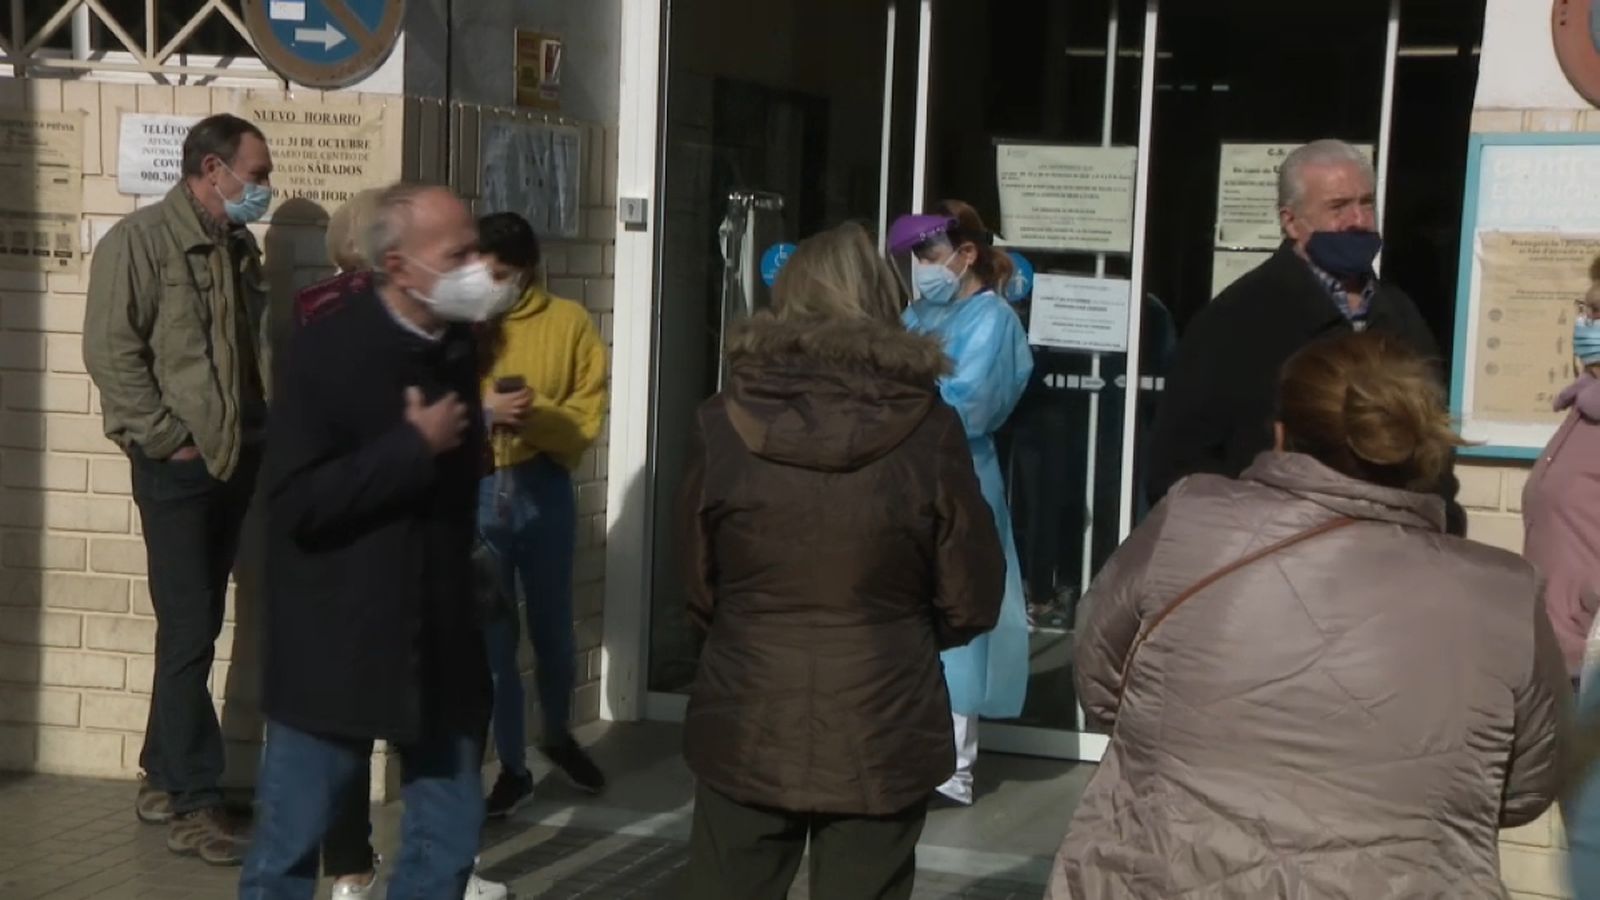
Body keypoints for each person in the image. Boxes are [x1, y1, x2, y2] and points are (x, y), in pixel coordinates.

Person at [1048, 331, 1566, 899]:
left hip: (1162, 873)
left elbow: (1099, 681)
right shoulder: (1502, 595)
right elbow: (1523, 787)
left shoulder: (1192, 520)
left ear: (1280, 433)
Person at [676, 222, 1004, 900]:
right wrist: (901, 630)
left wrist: (747, 631)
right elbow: (970, 594)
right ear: (883, 302)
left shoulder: (721, 420)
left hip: (750, 709)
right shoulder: (929, 427)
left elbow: (697, 582)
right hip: (880, 714)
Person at [239, 184, 516, 899]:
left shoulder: (456, 342)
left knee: (447, 842)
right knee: (289, 850)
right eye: (458, 254)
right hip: (338, 640)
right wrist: (410, 449)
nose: (478, 267)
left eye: (477, 249)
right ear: (398, 266)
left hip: (438, 635)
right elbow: (297, 502)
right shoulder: (328, 352)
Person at [83, 113, 274, 867]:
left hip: (234, 461)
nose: (262, 186)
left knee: (190, 627)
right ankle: (195, 803)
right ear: (209, 169)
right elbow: (110, 351)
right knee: (192, 626)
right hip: (176, 466)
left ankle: (161, 777)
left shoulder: (239, 246)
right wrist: (170, 440)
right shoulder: (137, 243)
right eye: (254, 174)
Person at [1147, 138, 1464, 535]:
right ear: (1291, 221)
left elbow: (1434, 442)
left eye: (1366, 203)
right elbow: (1178, 466)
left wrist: (1442, 525)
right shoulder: (1236, 321)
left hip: (1392, 554)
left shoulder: (1400, 315)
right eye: (1338, 206)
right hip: (1274, 553)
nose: (1358, 221)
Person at [888, 201, 1033, 805]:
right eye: (914, 258)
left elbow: (968, 405)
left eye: (927, 254)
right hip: (905, 479)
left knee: (961, 616)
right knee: (910, 613)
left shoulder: (993, 320)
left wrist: (904, 390)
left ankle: (954, 770)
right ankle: (910, 748)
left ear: (965, 253)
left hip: (963, 482)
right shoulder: (915, 313)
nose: (920, 267)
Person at [474, 212, 611, 817]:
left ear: (525, 270)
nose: (487, 279)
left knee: (553, 630)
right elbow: (436, 393)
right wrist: (485, 409)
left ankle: (556, 732)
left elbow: (585, 419)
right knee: (494, 640)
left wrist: (534, 415)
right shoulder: (466, 323)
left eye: (498, 270)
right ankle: (512, 765)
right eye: (480, 268)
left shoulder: (570, 323)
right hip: (478, 486)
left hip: (543, 482)